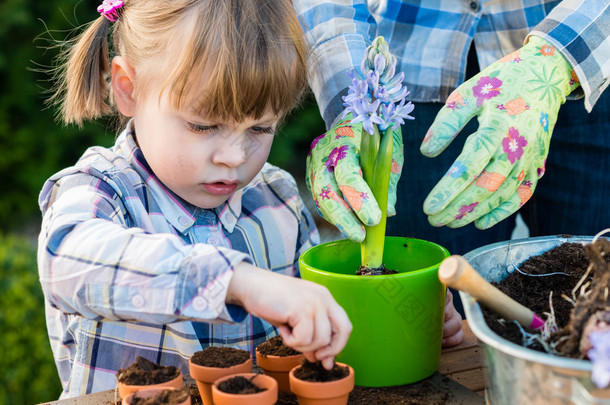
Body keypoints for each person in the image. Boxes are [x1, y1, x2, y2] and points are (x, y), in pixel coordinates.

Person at [38, 0, 353, 398]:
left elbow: (318, 325)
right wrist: (236, 281)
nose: (234, 157)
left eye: (260, 128)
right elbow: (64, 260)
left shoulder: (278, 201)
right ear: (128, 89)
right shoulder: (101, 189)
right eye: (203, 126)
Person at [294, 0, 609, 315]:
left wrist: (551, 63)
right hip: (414, 79)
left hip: (584, 62)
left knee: (589, 292)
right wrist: (351, 100)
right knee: (437, 315)